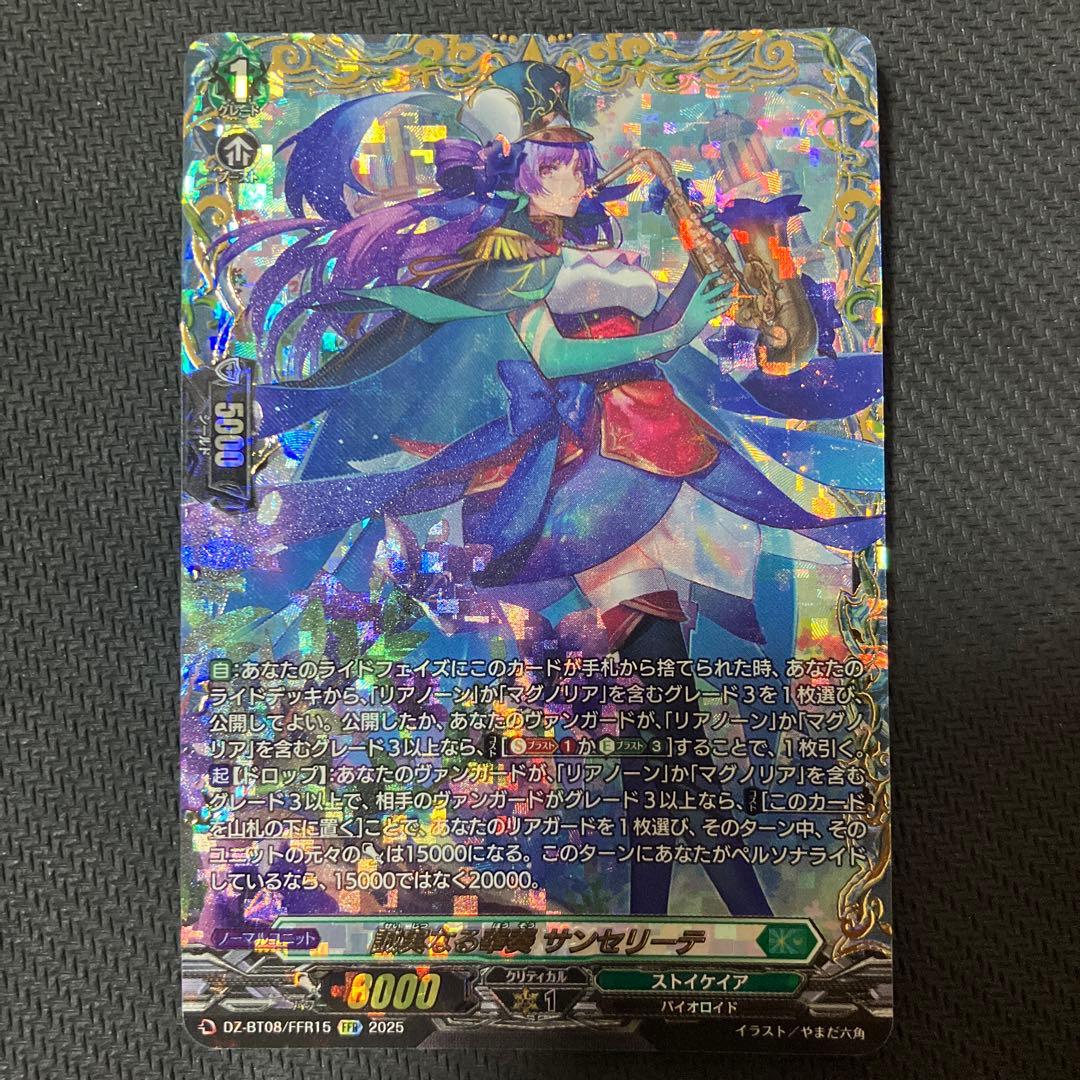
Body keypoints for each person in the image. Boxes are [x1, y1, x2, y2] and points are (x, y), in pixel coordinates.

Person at [188, 61, 885, 916]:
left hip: (660, 457)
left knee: (659, 720)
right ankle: (737, 919)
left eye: (578, 161)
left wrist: (700, 292)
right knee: (666, 711)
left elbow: (645, 325)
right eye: (552, 162)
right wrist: (667, 335)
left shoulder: (588, 238)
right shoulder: (510, 251)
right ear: (516, 170)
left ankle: (653, 920)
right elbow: (551, 355)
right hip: (595, 484)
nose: (572, 175)